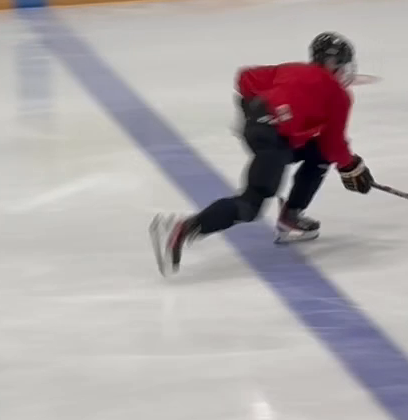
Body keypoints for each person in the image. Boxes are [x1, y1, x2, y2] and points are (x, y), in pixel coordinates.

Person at [149, 32, 375, 276]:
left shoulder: (293, 69)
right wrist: (352, 166)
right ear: (337, 64)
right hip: (273, 138)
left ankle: (291, 217)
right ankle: (183, 228)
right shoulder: (339, 96)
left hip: (257, 128)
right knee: (251, 204)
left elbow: (245, 78)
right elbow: (334, 145)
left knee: (317, 152)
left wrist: (255, 112)